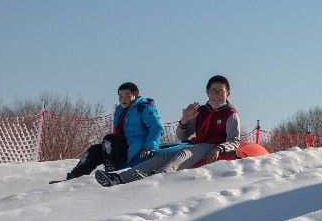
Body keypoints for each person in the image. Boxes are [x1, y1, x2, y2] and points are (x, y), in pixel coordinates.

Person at [96, 75, 241, 186]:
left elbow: (234, 140)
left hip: (211, 146)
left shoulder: (230, 114)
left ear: (228, 93)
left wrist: (219, 149)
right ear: (207, 92)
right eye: (212, 91)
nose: (215, 95)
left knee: (185, 153)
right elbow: (182, 135)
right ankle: (120, 178)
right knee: (162, 156)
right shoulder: (201, 111)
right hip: (195, 144)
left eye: (220, 91)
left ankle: (158, 177)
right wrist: (185, 120)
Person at [59, 82, 156, 182]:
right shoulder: (119, 110)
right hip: (120, 145)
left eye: (127, 95)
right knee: (94, 150)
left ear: (135, 95)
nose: (123, 99)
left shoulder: (144, 108)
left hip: (136, 146)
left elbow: (156, 128)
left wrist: (148, 146)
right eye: (120, 96)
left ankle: (112, 173)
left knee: (109, 139)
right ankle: (73, 178)